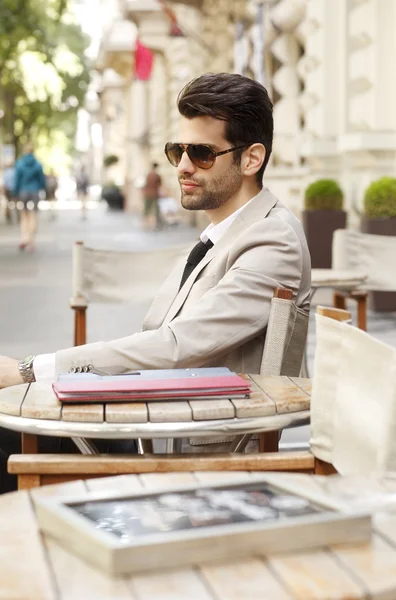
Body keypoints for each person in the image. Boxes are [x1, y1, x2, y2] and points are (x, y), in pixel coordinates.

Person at [0, 73, 311, 456]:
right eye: (176, 151)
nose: (182, 166)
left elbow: (178, 344)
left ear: (251, 158)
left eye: (202, 153)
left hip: (190, 455)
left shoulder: (272, 240)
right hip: (154, 421)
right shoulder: (223, 233)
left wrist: (31, 370)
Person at [13, 144, 46, 252]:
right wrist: (43, 189)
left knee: (24, 216)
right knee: (33, 216)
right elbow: (42, 180)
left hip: (23, 192)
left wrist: (15, 192)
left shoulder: (20, 164)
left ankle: (24, 238)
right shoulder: (38, 164)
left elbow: (17, 180)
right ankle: (31, 241)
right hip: (35, 191)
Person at [143, 162, 162, 230]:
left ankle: (145, 225)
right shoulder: (157, 175)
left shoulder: (148, 175)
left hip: (147, 194)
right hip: (154, 194)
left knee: (146, 209)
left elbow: (145, 184)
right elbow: (160, 185)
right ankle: (154, 225)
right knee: (154, 210)